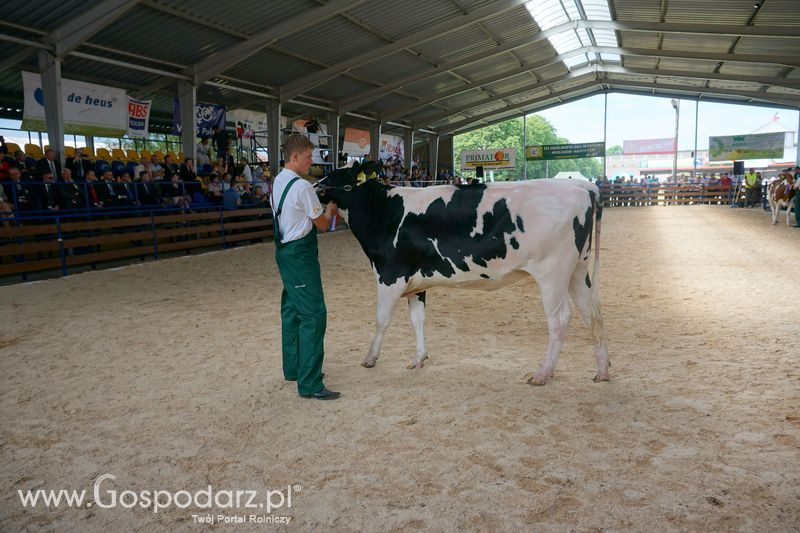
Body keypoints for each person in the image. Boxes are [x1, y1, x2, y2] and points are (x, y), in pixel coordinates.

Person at [270, 135, 339, 400]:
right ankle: (310, 383)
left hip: (285, 252)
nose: (313, 162)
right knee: (313, 315)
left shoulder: (278, 180)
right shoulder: (302, 187)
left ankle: (293, 368)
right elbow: (322, 225)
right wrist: (330, 211)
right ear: (295, 156)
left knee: (291, 309)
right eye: (309, 157)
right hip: (300, 255)